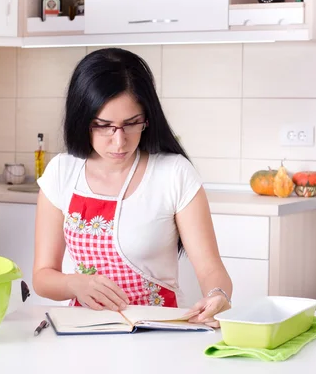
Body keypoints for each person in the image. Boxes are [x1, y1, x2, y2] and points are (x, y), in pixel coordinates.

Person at [32, 47, 232, 327]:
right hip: (83, 329)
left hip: (158, 329)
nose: (119, 141)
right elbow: (42, 277)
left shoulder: (173, 174)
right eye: (103, 126)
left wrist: (218, 295)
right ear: (82, 120)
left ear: (147, 119)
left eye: (132, 124)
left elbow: (211, 269)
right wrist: (74, 284)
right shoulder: (62, 172)